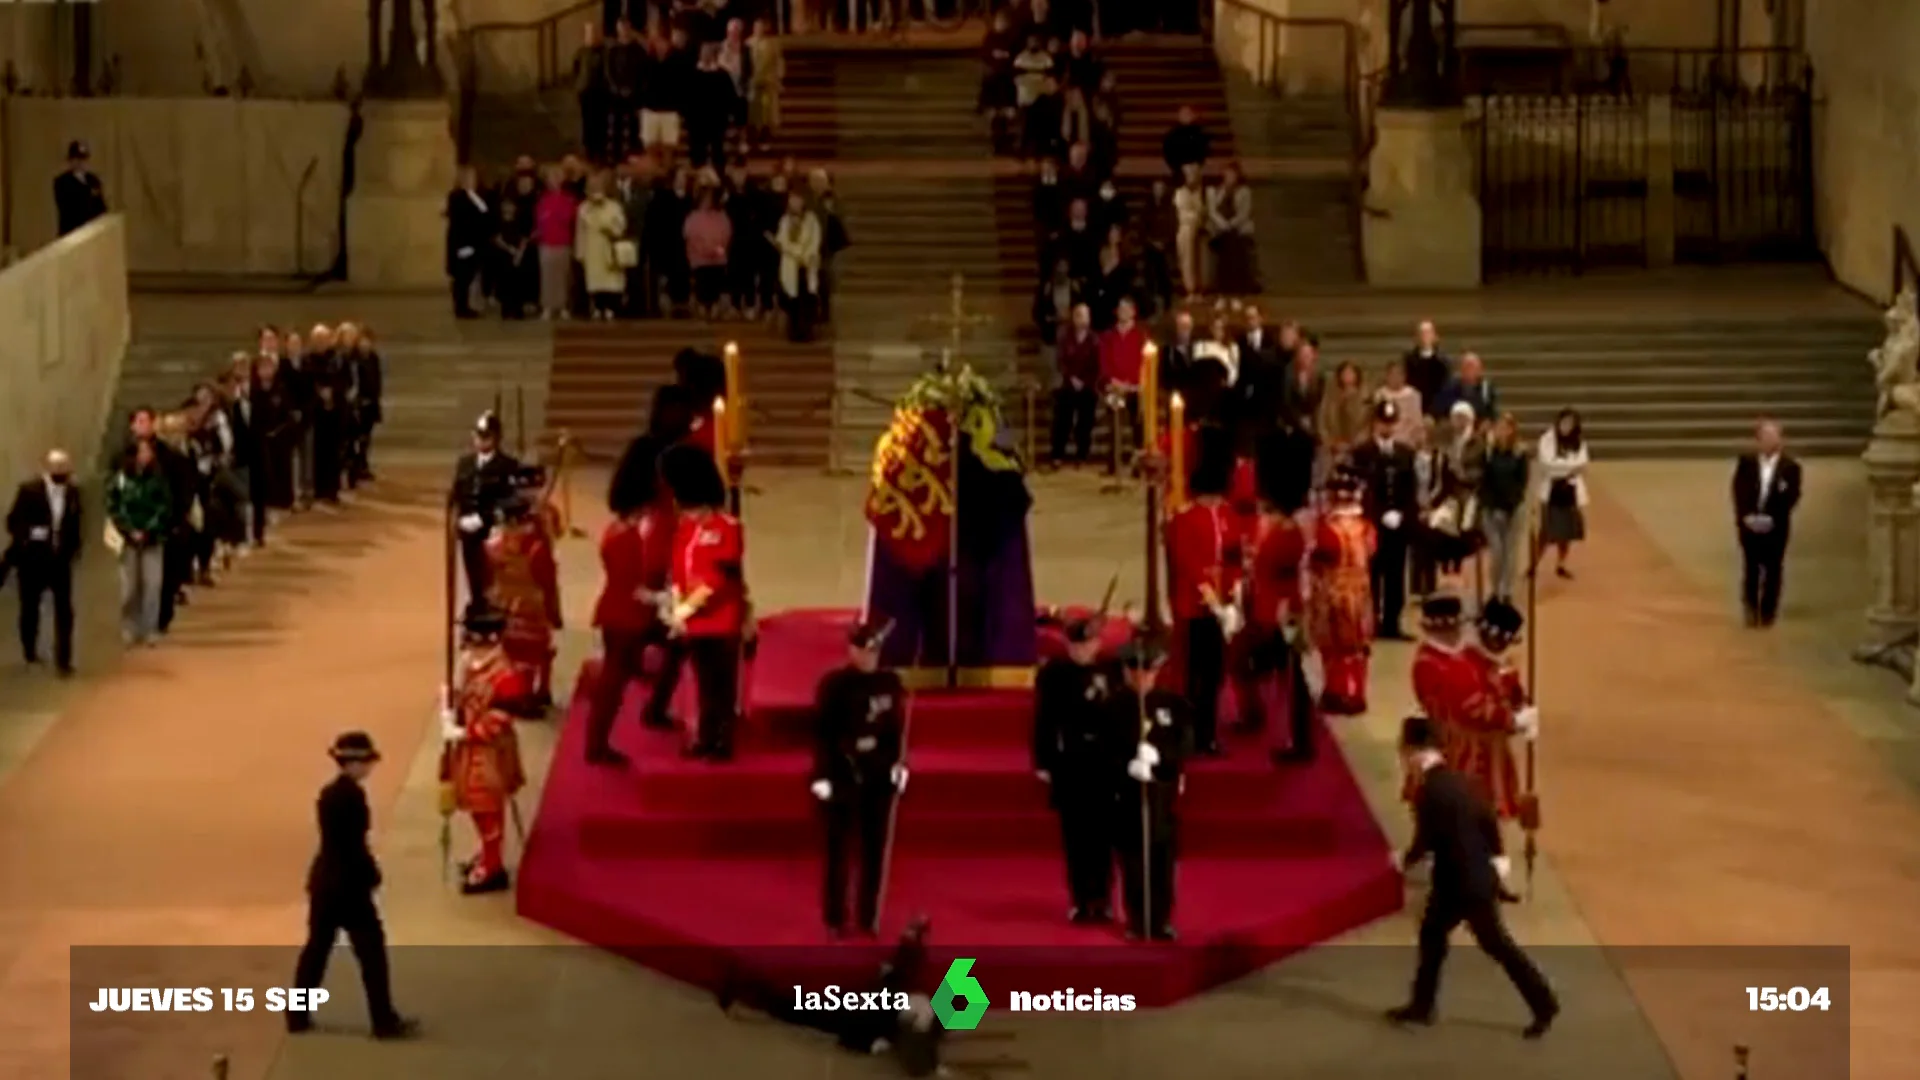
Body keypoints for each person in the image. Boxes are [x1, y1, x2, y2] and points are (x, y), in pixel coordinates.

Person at [1387, 715, 1559, 1038]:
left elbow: (1426, 838)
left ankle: (1544, 1003)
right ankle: (1422, 1005)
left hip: (1463, 883)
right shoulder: (1461, 780)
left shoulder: (1430, 790)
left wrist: (1403, 860)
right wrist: (1498, 856)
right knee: (1433, 934)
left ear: (1413, 750)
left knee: (1496, 945)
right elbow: (1485, 816)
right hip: (1467, 878)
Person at [287, 732, 418, 1040]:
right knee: (371, 953)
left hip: (324, 883)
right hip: (349, 887)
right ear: (354, 763)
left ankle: (297, 1015)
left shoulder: (329, 794)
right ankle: (383, 1019)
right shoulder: (352, 797)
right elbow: (354, 845)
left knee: (316, 950)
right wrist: (372, 874)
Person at [719, 916, 945, 1077]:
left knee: (791, 1007)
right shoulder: (903, 1022)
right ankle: (745, 984)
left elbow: (851, 1036)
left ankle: (745, 983)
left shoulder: (893, 1020)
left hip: (851, 1013)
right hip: (860, 1013)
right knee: (791, 1007)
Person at [811, 620, 908, 937]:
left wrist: (898, 765)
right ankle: (835, 918)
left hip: (878, 776)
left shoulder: (890, 683)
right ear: (851, 650)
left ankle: (869, 915)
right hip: (842, 775)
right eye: (863, 651)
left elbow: (895, 731)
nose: (869, 658)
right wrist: (822, 775)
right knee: (838, 852)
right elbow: (822, 735)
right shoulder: (834, 685)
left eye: (874, 652)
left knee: (874, 851)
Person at [585, 437, 676, 765]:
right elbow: (633, 588)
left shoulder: (618, 530)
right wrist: (666, 599)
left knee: (616, 681)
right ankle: (596, 745)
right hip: (624, 615)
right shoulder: (626, 538)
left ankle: (598, 743)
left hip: (621, 612)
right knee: (613, 684)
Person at [660, 445, 748, 760]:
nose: (687, 513)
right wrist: (674, 605)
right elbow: (678, 569)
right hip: (695, 622)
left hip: (722, 620)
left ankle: (722, 741)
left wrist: (685, 609)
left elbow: (718, 580)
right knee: (703, 684)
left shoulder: (728, 529)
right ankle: (705, 736)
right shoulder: (686, 527)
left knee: (722, 687)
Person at [1033, 615, 1120, 922]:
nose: (1082, 650)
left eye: (1088, 644)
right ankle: (1081, 899)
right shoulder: (1055, 674)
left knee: (1104, 836)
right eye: (1076, 645)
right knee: (1076, 837)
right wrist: (1043, 761)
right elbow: (1044, 720)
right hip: (1071, 763)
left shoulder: (1111, 671)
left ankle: (1104, 898)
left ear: (1097, 644)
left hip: (1105, 763)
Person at [439, 611, 530, 894]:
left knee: (486, 805)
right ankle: (488, 855)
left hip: (490, 750)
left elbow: (501, 719)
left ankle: (492, 864)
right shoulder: (473, 665)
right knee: (475, 804)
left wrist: (465, 732)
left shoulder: (505, 674)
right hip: (470, 749)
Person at [1163, 426, 1241, 755]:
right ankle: (1193, 734)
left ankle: (1207, 733)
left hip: (1222, 605)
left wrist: (1235, 595)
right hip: (1195, 608)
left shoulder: (1226, 514)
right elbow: (1188, 564)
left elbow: (1235, 554)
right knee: (1195, 675)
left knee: (1213, 675)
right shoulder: (1185, 518)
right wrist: (1214, 602)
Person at [1110, 638, 1191, 941]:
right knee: (1133, 861)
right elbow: (1105, 748)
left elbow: (1184, 742)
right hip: (1128, 798)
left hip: (1162, 796)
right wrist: (1127, 765)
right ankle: (1138, 919)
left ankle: (1161, 919)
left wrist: (1160, 759)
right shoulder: (1114, 706)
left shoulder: (1171, 705)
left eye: (1148, 673)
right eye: (1136, 673)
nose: (1143, 679)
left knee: (1162, 859)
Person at [1241, 433, 1313, 764]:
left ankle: (1295, 740)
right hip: (1274, 606)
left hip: (1283, 611)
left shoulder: (1288, 533)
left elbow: (1281, 573)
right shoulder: (1283, 528)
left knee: (1289, 677)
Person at [1460, 600, 1539, 819]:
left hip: (1496, 750)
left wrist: (1525, 710)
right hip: (1468, 748)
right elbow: (1475, 708)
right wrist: (1513, 720)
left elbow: (1515, 696)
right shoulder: (1466, 662)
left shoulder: (1502, 665)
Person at [486, 491, 564, 711]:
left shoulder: (491, 546)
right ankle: (532, 693)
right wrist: (554, 611)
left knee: (511, 651)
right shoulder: (537, 548)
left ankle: (514, 691)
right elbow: (548, 584)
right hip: (531, 605)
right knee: (534, 651)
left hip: (502, 602)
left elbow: (487, 578)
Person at [6, 450, 82, 674]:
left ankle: (63, 660)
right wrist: (30, 535)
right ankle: (30, 651)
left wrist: (74, 548)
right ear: (48, 469)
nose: (62, 473)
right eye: (57, 468)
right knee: (30, 608)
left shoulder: (73, 493)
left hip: (60, 559)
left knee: (64, 610)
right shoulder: (29, 491)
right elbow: (12, 522)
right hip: (33, 559)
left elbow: (76, 522)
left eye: (65, 468)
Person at [1307, 470, 1376, 715]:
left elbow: (1320, 561)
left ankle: (1336, 691)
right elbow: (1371, 552)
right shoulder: (1365, 526)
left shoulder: (1328, 528)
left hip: (1333, 592)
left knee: (1333, 647)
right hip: (1361, 590)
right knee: (1359, 647)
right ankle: (1357, 693)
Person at [1348, 402, 1418, 640]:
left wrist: (1404, 515)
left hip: (1398, 525)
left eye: (1390, 423)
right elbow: (1360, 490)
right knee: (1373, 574)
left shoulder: (1405, 453)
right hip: (1373, 524)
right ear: (1375, 423)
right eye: (1382, 422)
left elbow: (1411, 490)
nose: (1386, 427)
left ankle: (1392, 623)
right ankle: (1372, 622)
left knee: (1396, 575)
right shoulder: (1362, 453)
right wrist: (1378, 515)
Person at [449, 412, 521, 618]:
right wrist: (460, 517)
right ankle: (477, 601)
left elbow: (508, 499)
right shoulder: (465, 463)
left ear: (496, 438)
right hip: (467, 527)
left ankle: (493, 602)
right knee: (472, 567)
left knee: (492, 569)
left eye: (486, 436)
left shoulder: (507, 465)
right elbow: (458, 491)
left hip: (493, 528)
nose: (481, 440)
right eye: (478, 435)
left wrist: (484, 518)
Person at [1732, 418, 1800, 628]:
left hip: (1776, 526)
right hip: (1749, 523)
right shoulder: (1747, 463)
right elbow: (1738, 490)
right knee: (1751, 567)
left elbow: (1792, 496)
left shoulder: (1791, 467)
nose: (1771, 440)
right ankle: (1750, 608)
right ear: (1758, 440)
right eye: (1766, 436)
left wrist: (1773, 519)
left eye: (1775, 436)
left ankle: (1768, 611)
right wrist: (1745, 516)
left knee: (1773, 569)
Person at [107, 438, 173, 647]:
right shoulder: (120, 480)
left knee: (152, 585)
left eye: (149, 452)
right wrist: (129, 530)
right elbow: (114, 507)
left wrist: (148, 529)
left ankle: (150, 629)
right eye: (143, 452)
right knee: (129, 587)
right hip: (128, 540)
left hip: (153, 539)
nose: (147, 455)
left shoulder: (159, 478)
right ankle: (129, 628)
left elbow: (164, 506)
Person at [1478, 414, 1530, 603]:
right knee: (1497, 551)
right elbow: (1485, 482)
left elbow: (1521, 483)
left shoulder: (1519, 453)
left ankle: (1507, 590)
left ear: (1512, 430)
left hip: (1514, 508)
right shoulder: (1489, 453)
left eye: (1505, 427)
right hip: (1491, 509)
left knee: (1510, 552)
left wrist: (1508, 507)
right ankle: (1494, 589)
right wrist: (1494, 507)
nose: (1501, 431)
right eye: (1498, 427)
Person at [1535, 407, 1589, 580]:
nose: (1566, 427)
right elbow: (1547, 464)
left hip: (1570, 491)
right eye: (1564, 422)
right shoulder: (1547, 440)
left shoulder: (1579, 442)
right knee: (1546, 532)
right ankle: (1533, 564)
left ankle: (1561, 564)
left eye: (1570, 424)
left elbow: (1582, 464)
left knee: (1566, 532)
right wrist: (1568, 468)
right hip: (1552, 491)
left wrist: (1564, 467)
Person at [1051, 303, 1100, 465]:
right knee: (1062, 419)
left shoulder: (1094, 340)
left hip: (1088, 386)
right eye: (1078, 315)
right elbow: (1061, 360)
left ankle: (1082, 454)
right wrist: (1071, 377)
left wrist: (1084, 381)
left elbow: (1097, 364)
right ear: (1073, 317)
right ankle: (1057, 454)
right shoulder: (1065, 337)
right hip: (1068, 384)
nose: (1081, 319)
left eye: (1085, 315)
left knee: (1085, 422)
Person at [445, 166, 492, 318]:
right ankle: (460, 307)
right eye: (469, 178)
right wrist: (461, 246)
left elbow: (485, 213)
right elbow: (458, 222)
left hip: (475, 242)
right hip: (462, 243)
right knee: (461, 278)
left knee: (469, 276)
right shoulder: (456, 196)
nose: (472, 181)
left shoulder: (478, 196)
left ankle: (466, 305)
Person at [54, 140, 108, 236]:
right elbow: (68, 209)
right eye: (77, 159)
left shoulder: (93, 180)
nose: (80, 163)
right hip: (72, 234)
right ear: (70, 160)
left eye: (83, 159)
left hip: (93, 234)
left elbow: (101, 207)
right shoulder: (62, 182)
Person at [1402, 321, 1450, 422]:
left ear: (1434, 336)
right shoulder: (1409, 360)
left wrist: (1433, 412)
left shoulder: (1442, 361)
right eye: (1421, 333)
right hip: (1413, 408)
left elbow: (1444, 388)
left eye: (1427, 333)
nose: (1424, 337)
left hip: (1436, 412)